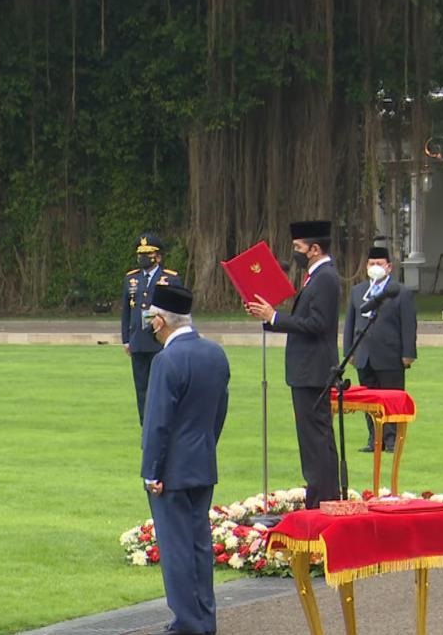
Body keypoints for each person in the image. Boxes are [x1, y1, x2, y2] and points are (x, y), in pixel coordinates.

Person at [140, 284, 229, 635]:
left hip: (172, 470)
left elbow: (157, 422)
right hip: (202, 461)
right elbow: (219, 412)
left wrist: (152, 471)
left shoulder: (166, 360)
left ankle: (188, 623)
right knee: (199, 546)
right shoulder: (215, 354)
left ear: (161, 321)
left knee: (176, 549)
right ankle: (204, 619)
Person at [246, 220, 341, 508]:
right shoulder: (315, 277)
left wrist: (275, 317)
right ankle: (321, 495)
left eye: (299, 247)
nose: (295, 252)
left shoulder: (325, 277)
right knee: (313, 439)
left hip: (314, 371)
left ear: (315, 249)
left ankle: (322, 498)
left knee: (316, 440)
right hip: (306, 371)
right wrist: (267, 317)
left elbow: (317, 324)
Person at [343, 246, 416, 453]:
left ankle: (392, 440)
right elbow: (350, 322)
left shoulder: (400, 292)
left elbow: (409, 324)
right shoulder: (358, 291)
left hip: (390, 355)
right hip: (363, 355)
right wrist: (349, 351)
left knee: (390, 398)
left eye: (379, 264)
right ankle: (374, 439)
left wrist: (408, 353)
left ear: (389, 267)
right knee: (369, 399)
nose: (375, 267)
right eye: (372, 263)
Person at [121, 233, 183, 425]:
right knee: (142, 388)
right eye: (140, 254)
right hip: (138, 341)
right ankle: (146, 426)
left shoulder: (170, 278)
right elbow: (126, 311)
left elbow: (178, 310)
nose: (143, 258)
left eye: (147, 254)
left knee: (162, 386)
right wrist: (126, 339)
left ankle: (164, 423)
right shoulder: (131, 279)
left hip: (160, 341)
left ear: (158, 256)